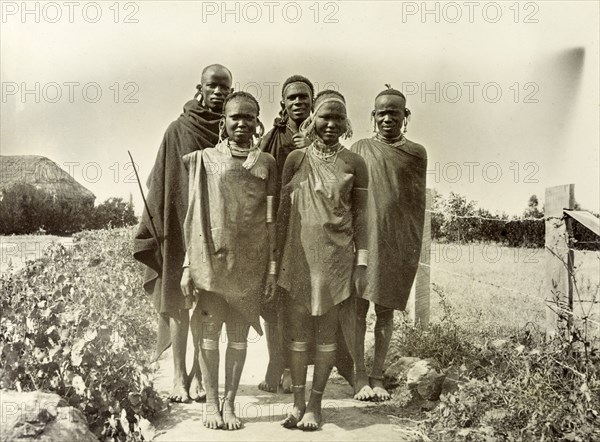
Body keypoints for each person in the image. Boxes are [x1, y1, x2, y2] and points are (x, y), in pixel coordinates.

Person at [133, 64, 233, 403]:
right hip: (179, 225)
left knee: (206, 303)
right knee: (177, 302)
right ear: (200, 88)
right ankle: (177, 378)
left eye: (225, 87)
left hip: (213, 227)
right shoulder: (177, 129)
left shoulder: (230, 133)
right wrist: (159, 226)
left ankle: (197, 377)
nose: (218, 92)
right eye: (212, 85)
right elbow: (163, 180)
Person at [180, 91, 278, 430]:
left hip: (250, 265)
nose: (241, 123)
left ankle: (229, 403)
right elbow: (193, 217)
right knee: (208, 335)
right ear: (223, 122)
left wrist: (271, 269)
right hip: (211, 262)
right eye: (234, 116)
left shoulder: (266, 164)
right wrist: (186, 267)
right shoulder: (204, 160)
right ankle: (210, 402)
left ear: (256, 122)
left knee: (237, 337)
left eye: (248, 117)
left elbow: (271, 220)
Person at [277, 90, 369, 430]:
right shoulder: (295, 160)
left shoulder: (354, 163)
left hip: (336, 258)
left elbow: (362, 217)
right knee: (298, 333)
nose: (331, 124)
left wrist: (361, 263)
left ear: (347, 123)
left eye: (338, 118)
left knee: (328, 333)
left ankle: (316, 405)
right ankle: (297, 403)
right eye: (324, 117)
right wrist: (277, 262)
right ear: (311, 120)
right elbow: (283, 215)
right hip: (298, 257)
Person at [348, 86, 427, 401]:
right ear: (373, 116)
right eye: (381, 113)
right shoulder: (360, 148)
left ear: (405, 116)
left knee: (384, 310)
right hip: (361, 240)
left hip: (395, 241)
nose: (387, 119)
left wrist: (407, 246)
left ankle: (377, 374)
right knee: (356, 306)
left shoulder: (416, 152)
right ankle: (357, 375)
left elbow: (413, 205)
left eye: (394, 113)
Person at [258, 75, 314, 394]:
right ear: (283, 103)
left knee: (300, 298)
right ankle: (273, 362)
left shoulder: (322, 134)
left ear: (312, 100)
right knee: (273, 298)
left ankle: (296, 368)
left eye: (303, 97)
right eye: (291, 97)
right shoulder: (272, 138)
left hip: (308, 228)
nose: (297, 102)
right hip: (276, 226)